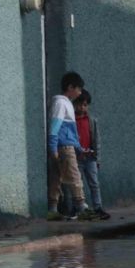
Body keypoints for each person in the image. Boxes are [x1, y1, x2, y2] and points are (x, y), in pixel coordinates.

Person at [47, 72, 97, 221]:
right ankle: (82, 208)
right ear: (70, 87)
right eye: (79, 89)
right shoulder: (61, 103)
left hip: (64, 146)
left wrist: (79, 148)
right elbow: (55, 127)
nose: (80, 92)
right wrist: (53, 148)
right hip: (64, 147)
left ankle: (52, 209)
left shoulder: (65, 103)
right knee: (75, 177)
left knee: (56, 178)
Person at [72, 89, 111, 220]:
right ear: (74, 104)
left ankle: (98, 207)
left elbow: (97, 140)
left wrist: (97, 158)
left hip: (90, 157)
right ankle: (78, 208)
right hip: (76, 157)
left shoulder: (91, 120)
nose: (82, 107)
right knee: (78, 183)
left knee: (94, 183)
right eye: (79, 104)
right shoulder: (71, 119)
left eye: (85, 105)